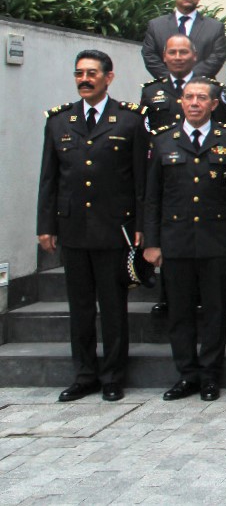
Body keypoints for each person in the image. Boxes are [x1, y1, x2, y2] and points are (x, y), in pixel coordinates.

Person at [37, 50, 148, 403]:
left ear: (108, 78)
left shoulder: (129, 121)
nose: (85, 79)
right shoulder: (59, 121)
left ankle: (114, 375)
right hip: (73, 229)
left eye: (92, 74)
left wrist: (141, 226)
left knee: (113, 306)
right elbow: (49, 179)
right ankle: (84, 374)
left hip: (114, 228)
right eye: (79, 73)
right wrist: (46, 225)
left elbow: (141, 181)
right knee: (80, 308)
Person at [142, 77, 226, 402]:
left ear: (214, 103)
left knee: (215, 309)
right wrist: (152, 242)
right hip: (176, 238)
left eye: (201, 98)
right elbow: (153, 197)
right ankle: (187, 374)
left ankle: (211, 375)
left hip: (215, 238)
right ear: (181, 102)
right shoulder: (163, 141)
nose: (194, 103)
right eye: (189, 97)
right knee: (180, 311)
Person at [142, 0, 226, 80]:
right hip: (166, 90)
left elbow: (217, 58)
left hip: (201, 90)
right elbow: (150, 56)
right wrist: (172, 81)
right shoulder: (156, 26)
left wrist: (189, 80)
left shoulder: (215, 28)